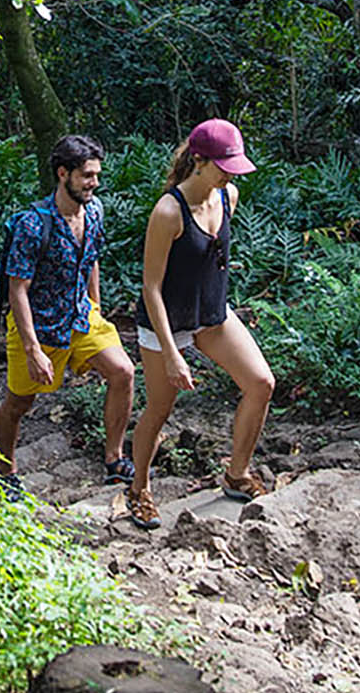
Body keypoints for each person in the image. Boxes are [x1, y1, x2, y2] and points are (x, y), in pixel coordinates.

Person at [125, 118, 277, 529]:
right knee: (159, 410)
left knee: (261, 383)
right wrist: (173, 354)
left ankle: (237, 474)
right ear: (199, 160)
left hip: (211, 313)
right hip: (165, 323)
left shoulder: (229, 195)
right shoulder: (168, 211)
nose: (231, 172)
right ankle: (138, 489)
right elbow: (151, 288)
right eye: (224, 164)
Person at [0, 134, 137, 496]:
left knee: (123, 372)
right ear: (62, 174)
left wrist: (96, 306)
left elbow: (92, 258)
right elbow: (17, 290)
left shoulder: (95, 210)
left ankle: (114, 459)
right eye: (87, 175)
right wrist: (32, 349)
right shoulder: (32, 224)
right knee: (19, 403)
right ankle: (4, 471)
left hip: (81, 317)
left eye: (96, 175)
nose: (94, 183)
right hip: (38, 326)